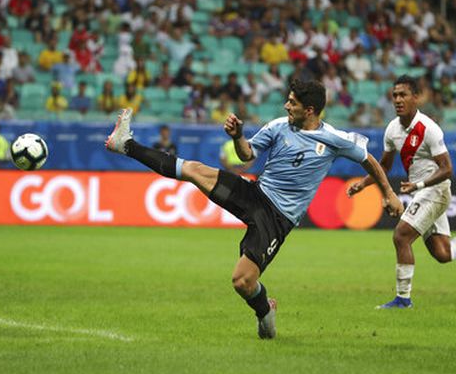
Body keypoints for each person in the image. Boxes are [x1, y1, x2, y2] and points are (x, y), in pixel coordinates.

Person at [105, 79, 403, 339]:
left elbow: (369, 160)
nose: (286, 106)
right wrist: (238, 137)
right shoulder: (277, 126)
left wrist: (388, 193)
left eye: (292, 102)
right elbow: (246, 154)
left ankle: (264, 310)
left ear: (310, 110)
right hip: (255, 194)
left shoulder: (335, 139)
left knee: (242, 281)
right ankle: (126, 145)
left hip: (277, 218)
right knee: (195, 170)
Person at [348, 75, 455, 309]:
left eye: (403, 94)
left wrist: (418, 186)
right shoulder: (392, 129)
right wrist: (363, 184)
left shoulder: (428, 129)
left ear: (415, 98)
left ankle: (403, 299)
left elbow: (447, 169)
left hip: (435, 190)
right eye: (395, 95)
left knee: (401, 236)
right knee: (442, 254)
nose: (398, 99)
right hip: (421, 193)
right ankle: (403, 299)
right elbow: (384, 166)